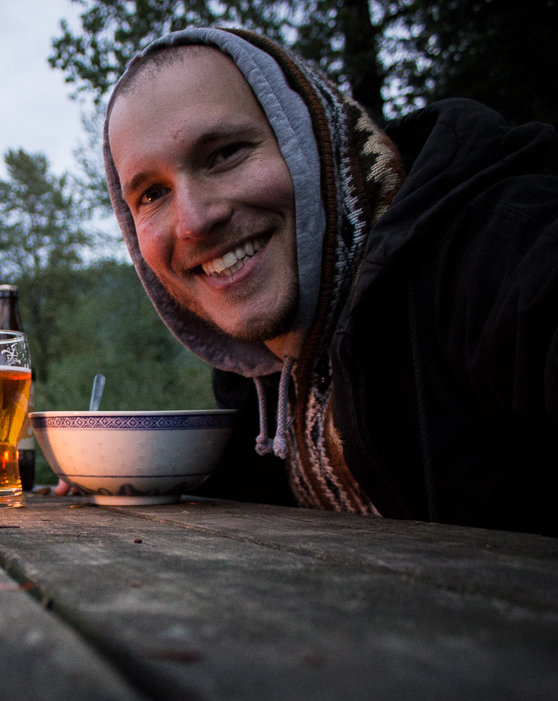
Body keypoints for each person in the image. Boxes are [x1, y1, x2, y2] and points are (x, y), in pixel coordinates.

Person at [101, 28, 557, 536]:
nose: (192, 221)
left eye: (225, 153)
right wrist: (121, 478)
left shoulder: (496, 251)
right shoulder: (263, 377)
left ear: (318, 138)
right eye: (152, 194)